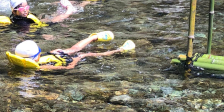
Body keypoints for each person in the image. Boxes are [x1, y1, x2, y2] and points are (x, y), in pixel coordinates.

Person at [7, 34, 135, 70]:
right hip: (62, 60)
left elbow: (40, 57)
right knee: (84, 53)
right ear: (36, 56)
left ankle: (93, 37)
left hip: (54, 56)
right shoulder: (43, 67)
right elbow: (68, 68)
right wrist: (78, 59)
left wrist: (51, 52)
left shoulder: (27, 60)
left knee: (72, 49)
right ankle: (120, 49)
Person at [0, 0, 75, 28]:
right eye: (22, 8)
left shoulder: (20, 15)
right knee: (57, 18)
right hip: (40, 27)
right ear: (14, 11)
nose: (25, 10)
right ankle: (69, 10)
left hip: (35, 22)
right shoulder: (22, 22)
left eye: (27, 7)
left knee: (46, 15)